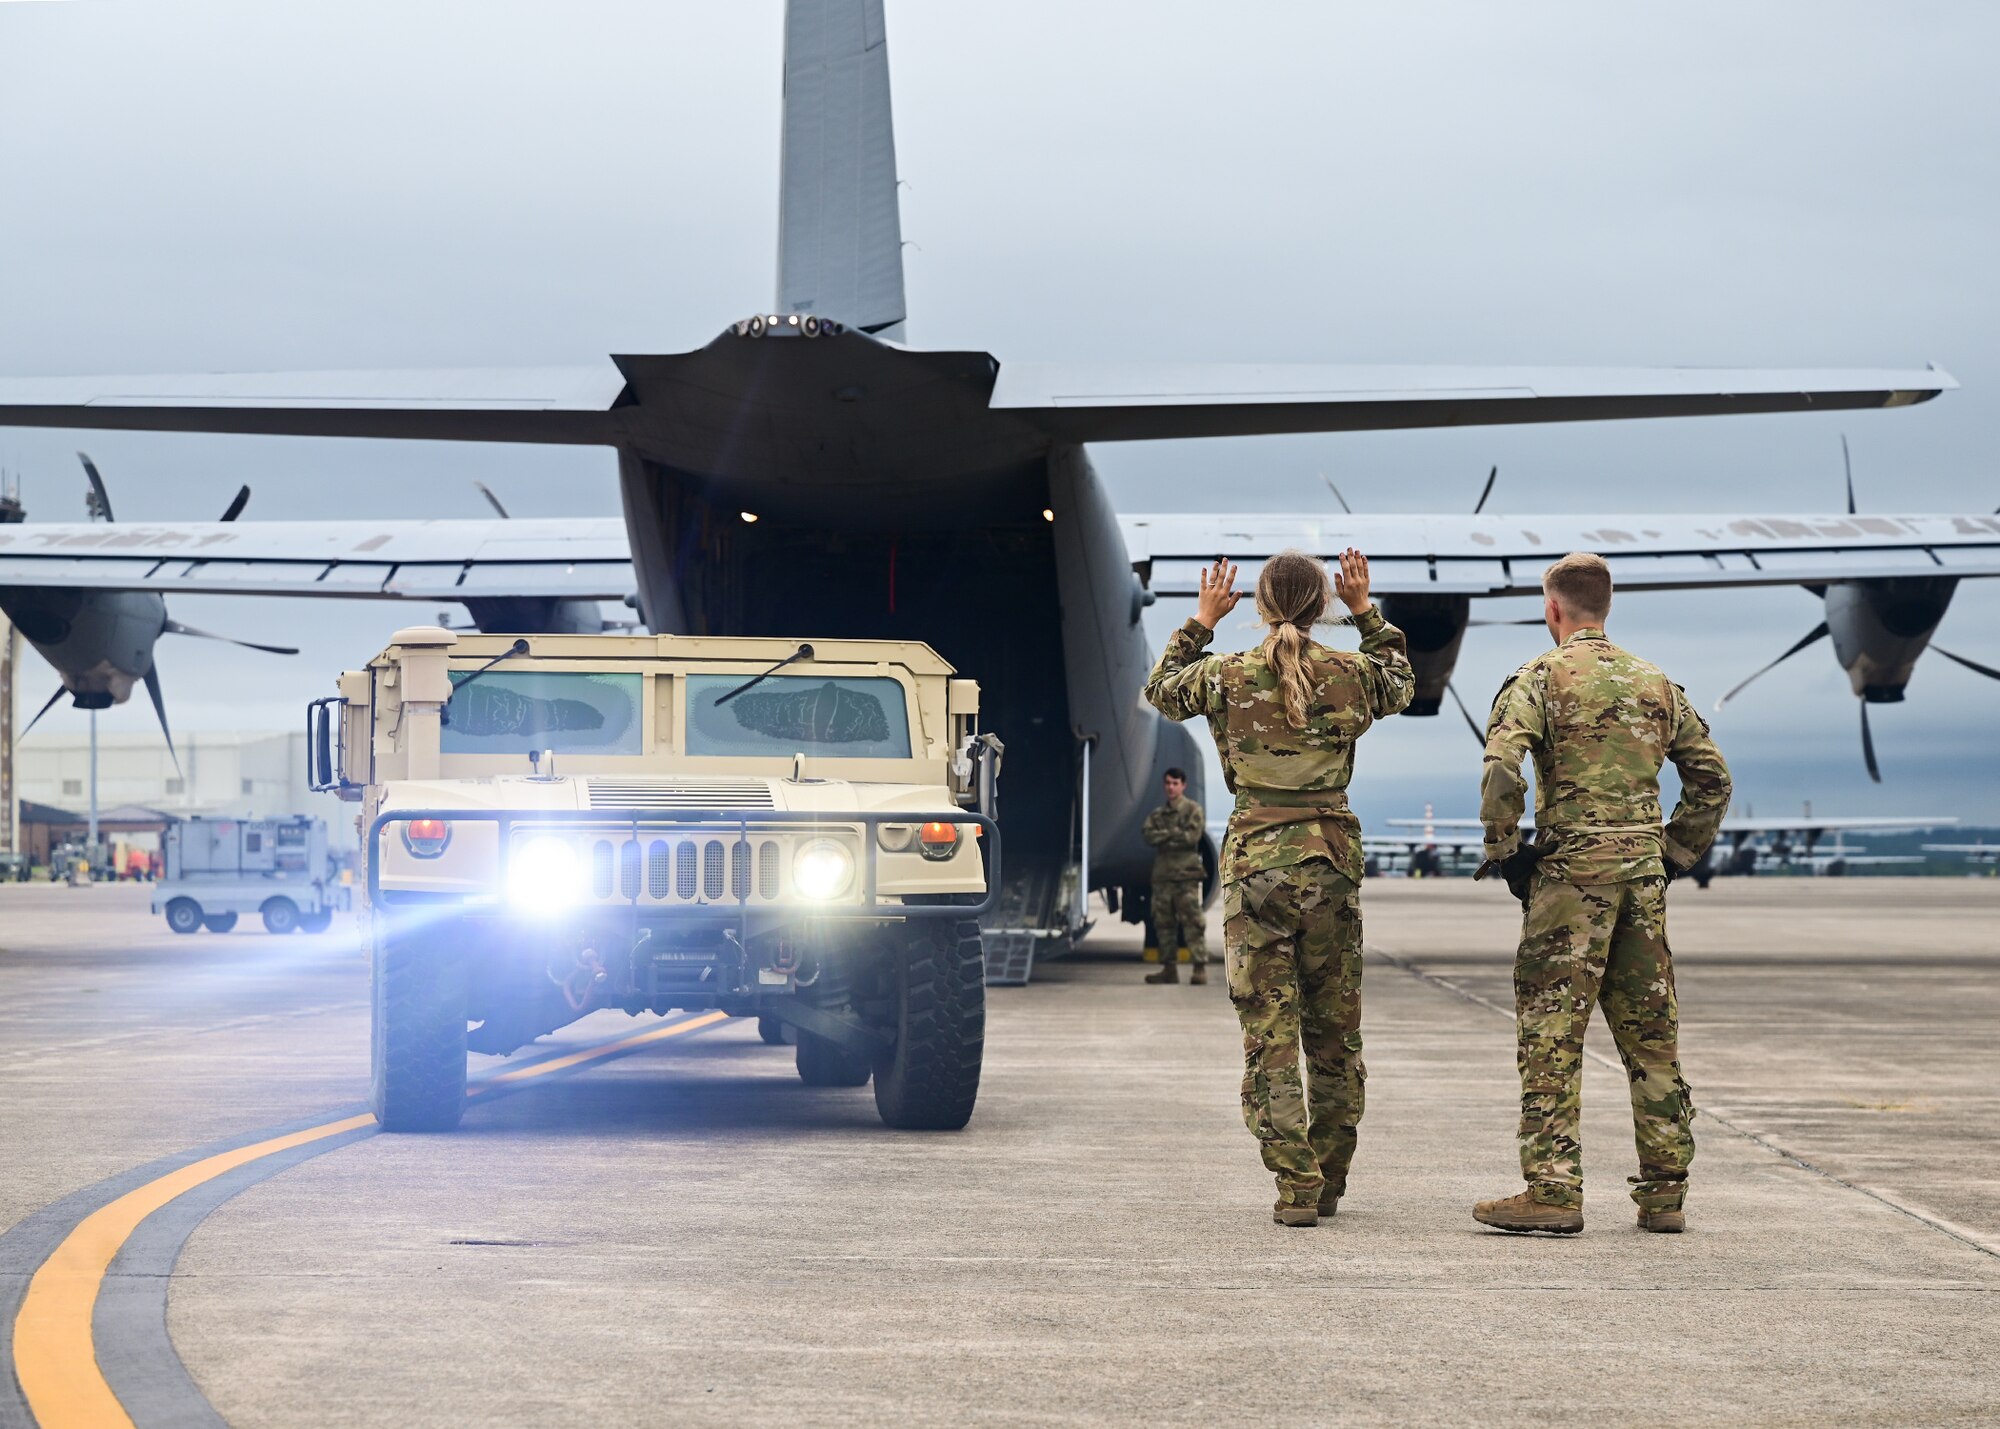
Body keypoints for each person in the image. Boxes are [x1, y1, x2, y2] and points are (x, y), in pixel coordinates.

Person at [1145, 549, 1414, 1227]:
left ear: (1259, 606)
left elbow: (1160, 690)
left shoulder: (1227, 674)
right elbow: (1402, 684)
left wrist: (1201, 622)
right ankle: (1328, 1179)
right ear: (1321, 604)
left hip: (1256, 868)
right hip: (1330, 865)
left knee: (1270, 1032)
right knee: (1335, 1036)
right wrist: (1365, 611)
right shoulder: (1353, 673)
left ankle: (1296, 1182)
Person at [1473, 552, 1731, 1236]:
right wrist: (1671, 853)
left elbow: (1503, 764)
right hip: (1641, 876)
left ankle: (1554, 1188)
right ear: (1605, 606)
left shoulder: (1540, 677)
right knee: (1651, 1036)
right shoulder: (1657, 684)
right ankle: (1665, 1190)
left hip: (1570, 879)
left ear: (1552, 608)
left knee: (1553, 1032)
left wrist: (1508, 854)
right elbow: (1712, 780)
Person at [1141, 767, 1208, 985]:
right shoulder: (1158, 814)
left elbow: (1192, 837)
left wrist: (1165, 836)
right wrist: (1174, 834)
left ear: (1183, 785)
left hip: (1186, 876)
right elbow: (1148, 835)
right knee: (1164, 924)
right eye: (1168, 783)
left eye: (1175, 783)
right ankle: (1169, 968)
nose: (1171, 787)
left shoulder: (1192, 810)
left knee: (1192, 922)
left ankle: (1199, 968)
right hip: (1163, 877)